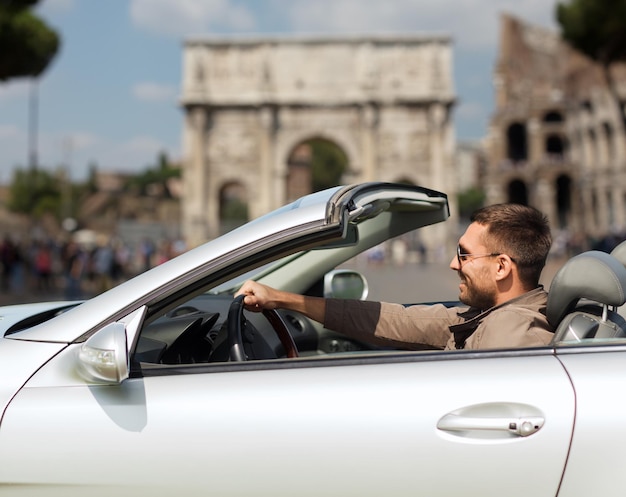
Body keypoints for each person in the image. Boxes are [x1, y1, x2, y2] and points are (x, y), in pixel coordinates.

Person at [235, 203, 555, 351]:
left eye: (464, 254)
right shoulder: (487, 317)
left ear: (501, 267)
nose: (453, 265)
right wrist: (281, 299)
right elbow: (395, 320)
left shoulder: (513, 334)